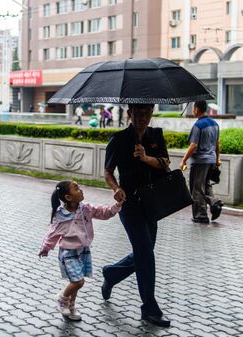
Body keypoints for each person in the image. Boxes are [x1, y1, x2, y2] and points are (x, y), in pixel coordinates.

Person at [102, 104, 171, 327]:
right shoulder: (119, 139)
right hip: (129, 204)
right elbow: (108, 172)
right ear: (130, 113)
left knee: (145, 251)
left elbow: (165, 163)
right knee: (145, 254)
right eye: (138, 114)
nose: (143, 118)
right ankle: (149, 308)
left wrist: (145, 157)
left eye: (147, 114)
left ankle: (112, 274)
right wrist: (115, 189)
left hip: (152, 203)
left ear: (151, 113)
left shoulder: (156, 135)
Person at [39, 180, 121, 321]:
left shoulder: (86, 209)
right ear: (68, 197)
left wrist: (117, 206)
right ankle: (62, 298)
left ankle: (71, 307)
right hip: (69, 253)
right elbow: (52, 234)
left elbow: (103, 213)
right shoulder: (61, 216)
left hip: (83, 251)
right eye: (76, 188)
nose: (81, 190)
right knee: (78, 282)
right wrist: (46, 248)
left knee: (75, 283)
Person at [180, 100, 223, 224]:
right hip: (210, 160)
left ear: (197, 109)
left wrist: (183, 160)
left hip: (200, 161)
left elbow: (193, 145)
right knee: (206, 185)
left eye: (194, 108)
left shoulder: (198, 125)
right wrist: (217, 159)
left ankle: (201, 215)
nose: (193, 110)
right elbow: (217, 144)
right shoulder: (215, 124)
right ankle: (215, 203)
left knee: (197, 188)